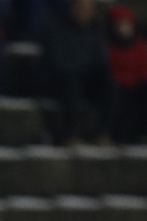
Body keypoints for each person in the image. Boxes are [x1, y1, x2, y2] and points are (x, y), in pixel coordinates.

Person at [42, 0, 114, 144]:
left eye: (88, 9)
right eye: (81, 8)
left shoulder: (97, 31)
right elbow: (57, 61)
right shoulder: (59, 29)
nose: (84, 12)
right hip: (64, 79)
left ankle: (103, 134)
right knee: (71, 84)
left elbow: (101, 59)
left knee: (111, 84)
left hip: (88, 79)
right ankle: (71, 135)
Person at [106, 5, 147, 143]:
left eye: (128, 24)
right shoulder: (108, 45)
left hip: (135, 82)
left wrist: (140, 80)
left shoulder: (140, 44)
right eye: (121, 24)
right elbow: (109, 68)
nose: (125, 28)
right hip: (117, 83)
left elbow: (145, 69)